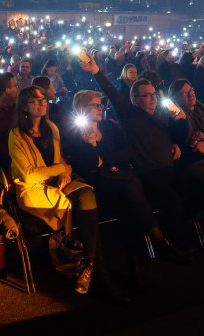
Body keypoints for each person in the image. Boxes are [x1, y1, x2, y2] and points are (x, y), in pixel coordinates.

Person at [8, 86, 125, 300]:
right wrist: (61, 169)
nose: (42, 103)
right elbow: (28, 175)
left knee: (87, 194)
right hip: (34, 191)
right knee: (78, 205)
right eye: (35, 100)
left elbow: (58, 158)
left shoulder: (51, 127)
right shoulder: (16, 135)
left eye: (43, 99)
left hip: (57, 183)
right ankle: (100, 274)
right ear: (24, 106)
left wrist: (62, 172)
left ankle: (89, 265)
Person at [78, 53, 193, 250]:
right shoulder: (131, 115)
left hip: (170, 167)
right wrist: (96, 71)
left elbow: (178, 137)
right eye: (146, 95)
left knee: (196, 189)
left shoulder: (161, 117)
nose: (152, 98)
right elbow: (112, 93)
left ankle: (185, 237)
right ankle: (174, 244)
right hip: (150, 173)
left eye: (153, 94)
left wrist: (181, 122)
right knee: (173, 202)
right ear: (135, 99)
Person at [62, 90, 189, 265]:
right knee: (129, 192)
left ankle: (144, 252)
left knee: (131, 192)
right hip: (101, 184)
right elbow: (90, 166)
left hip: (123, 177)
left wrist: (104, 159)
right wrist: (91, 146)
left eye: (101, 104)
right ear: (82, 108)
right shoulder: (76, 135)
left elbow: (128, 152)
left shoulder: (109, 127)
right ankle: (159, 241)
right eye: (95, 105)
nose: (100, 108)